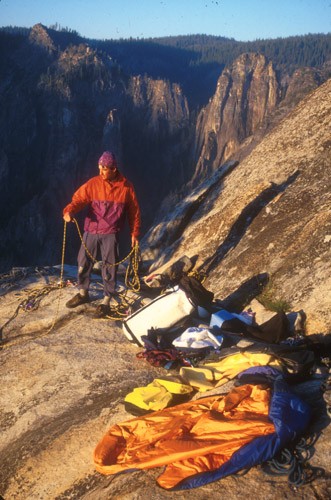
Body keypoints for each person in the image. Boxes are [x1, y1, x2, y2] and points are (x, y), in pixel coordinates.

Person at [63, 151, 141, 316]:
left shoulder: (126, 187)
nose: (100, 172)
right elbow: (79, 199)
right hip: (91, 230)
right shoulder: (93, 184)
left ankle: (106, 300)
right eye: (99, 168)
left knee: (109, 266)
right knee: (83, 262)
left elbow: (134, 211)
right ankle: (83, 293)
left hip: (111, 233)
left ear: (113, 168)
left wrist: (135, 232)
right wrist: (69, 211)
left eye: (104, 169)